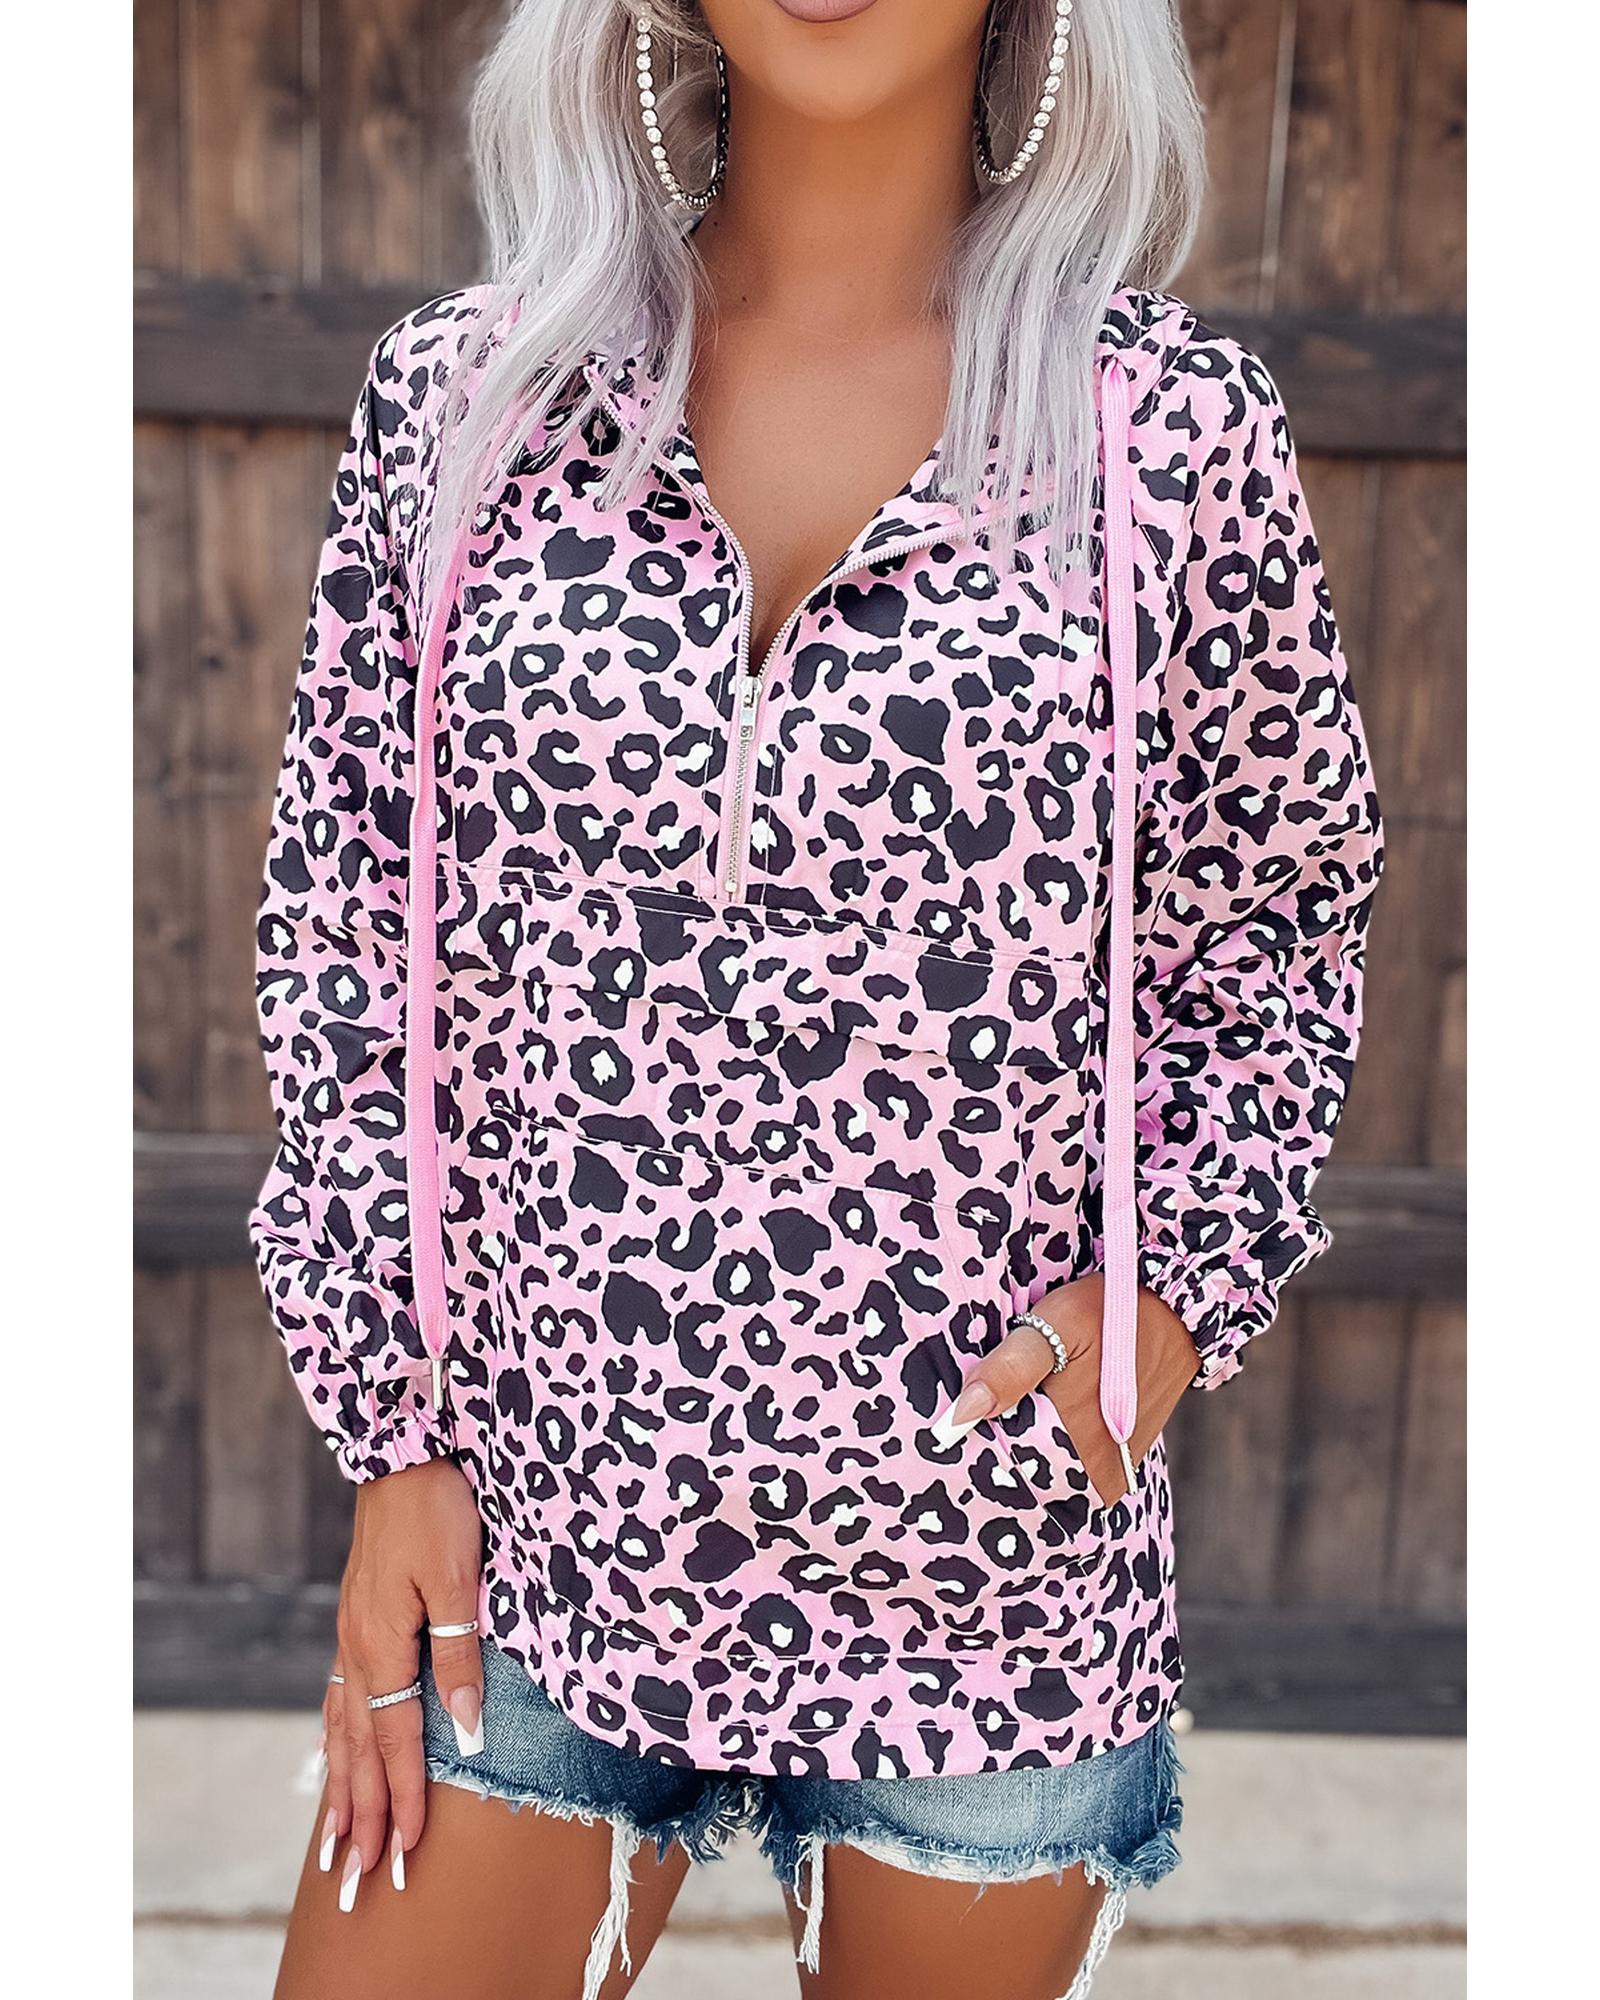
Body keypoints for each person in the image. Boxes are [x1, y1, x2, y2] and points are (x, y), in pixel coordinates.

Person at [253, 3, 1383, 1995]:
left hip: (986, 1573)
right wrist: (396, 1435)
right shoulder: (467, 403)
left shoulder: (1164, 436)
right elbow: (352, 930)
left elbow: (1271, 912)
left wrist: (1173, 1291)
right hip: (532, 1538)